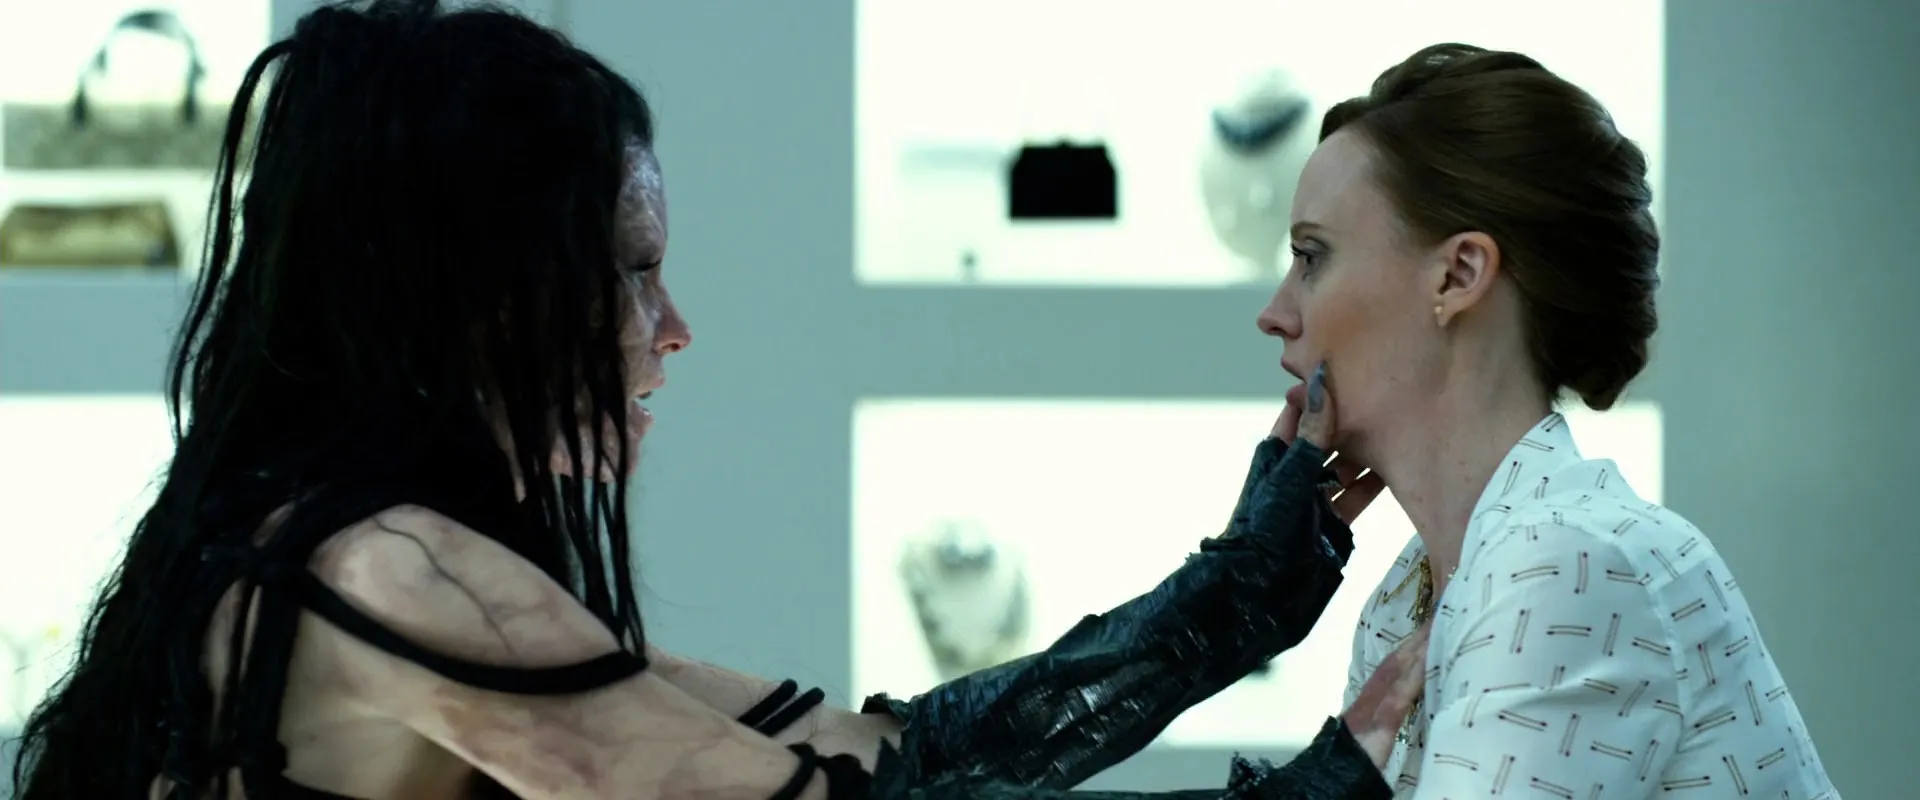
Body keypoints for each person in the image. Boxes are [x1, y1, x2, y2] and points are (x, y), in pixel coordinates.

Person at [9, 2, 1421, 798]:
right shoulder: (390, 575)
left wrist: (1236, 594)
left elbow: (891, 754)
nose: (672, 329)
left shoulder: (346, 551)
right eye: (631, 274)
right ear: (485, 295)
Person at [1255, 43, 1841, 798]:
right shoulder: (1408, 593)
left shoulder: (1567, 562)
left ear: (1459, 274)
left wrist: (1212, 615)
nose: (1276, 314)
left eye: (1311, 257)